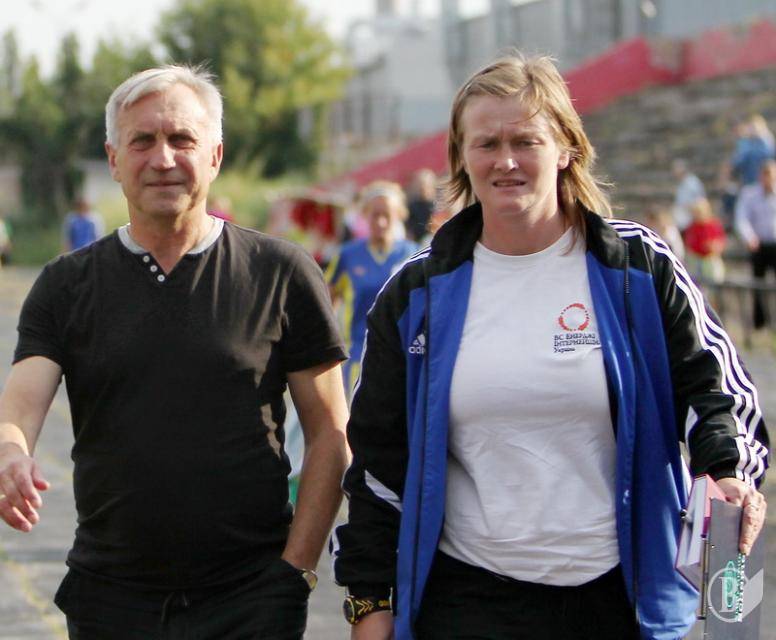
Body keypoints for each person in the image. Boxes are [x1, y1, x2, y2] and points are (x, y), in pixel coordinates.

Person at [331, 53, 769, 640]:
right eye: (487, 143)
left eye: (526, 141)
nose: (505, 160)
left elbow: (717, 391)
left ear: (565, 148)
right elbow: (377, 463)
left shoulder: (637, 267)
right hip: (466, 602)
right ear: (462, 156)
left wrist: (728, 471)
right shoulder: (416, 294)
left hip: (617, 600)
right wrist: (369, 602)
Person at [0, 65, 349, 639]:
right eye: (142, 141)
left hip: (250, 600)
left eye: (181, 139)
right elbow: (21, 405)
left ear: (215, 155)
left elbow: (331, 434)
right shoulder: (66, 284)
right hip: (110, 599)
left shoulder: (281, 273)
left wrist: (296, 572)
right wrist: (11, 452)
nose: (162, 158)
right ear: (114, 159)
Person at [326, 181, 418, 396]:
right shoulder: (347, 256)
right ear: (365, 215)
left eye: (387, 215)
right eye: (375, 215)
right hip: (358, 356)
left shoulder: (412, 255)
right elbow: (325, 303)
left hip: (403, 357)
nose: (381, 222)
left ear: (399, 215)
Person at [735, 158, 776, 329]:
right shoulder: (750, 194)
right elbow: (742, 218)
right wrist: (750, 237)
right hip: (758, 245)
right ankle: (760, 323)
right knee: (757, 283)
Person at [671, 158, 705, 232]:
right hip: (683, 216)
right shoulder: (681, 183)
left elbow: (699, 200)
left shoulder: (692, 182)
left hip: (691, 216)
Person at [404, 169, 437, 242]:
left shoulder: (439, 206)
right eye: (420, 185)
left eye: (425, 185)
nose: (423, 188)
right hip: (418, 243)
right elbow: (409, 229)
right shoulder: (412, 207)